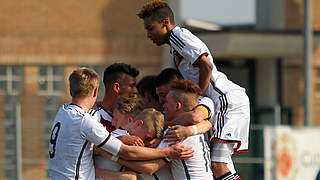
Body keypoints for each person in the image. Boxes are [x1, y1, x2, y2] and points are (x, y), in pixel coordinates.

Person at [137, 1, 250, 179]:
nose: (148, 35)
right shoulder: (175, 48)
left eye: (150, 28)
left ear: (166, 22)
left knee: (218, 165)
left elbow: (206, 66)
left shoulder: (179, 35)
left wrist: (198, 98)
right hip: (219, 101)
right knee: (221, 165)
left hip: (225, 99)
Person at [48, 67, 193, 180]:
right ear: (95, 92)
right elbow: (126, 151)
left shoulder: (63, 112)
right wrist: (168, 152)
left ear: (70, 90)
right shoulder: (85, 121)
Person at [98, 80, 213, 180]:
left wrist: (112, 155)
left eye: (166, 102)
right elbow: (208, 123)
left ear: (177, 106)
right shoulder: (196, 127)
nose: (162, 106)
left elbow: (149, 168)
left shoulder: (176, 134)